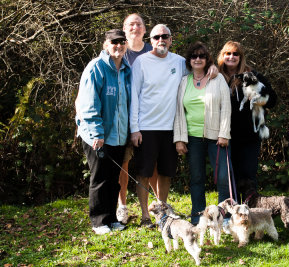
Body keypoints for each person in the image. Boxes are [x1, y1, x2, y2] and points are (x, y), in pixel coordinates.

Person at [130, 24, 218, 228]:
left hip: (171, 128)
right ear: (150, 40)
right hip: (146, 127)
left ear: (170, 39)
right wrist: (134, 128)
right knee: (144, 172)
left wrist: (212, 68)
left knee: (166, 172)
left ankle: (163, 212)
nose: (161, 40)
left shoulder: (179, 62)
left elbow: (199, 69)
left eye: (165, 36)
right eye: (156, 37)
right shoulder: (141, 62)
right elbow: (133, 95)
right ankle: (145, 216)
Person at [75, 29, 130, 234]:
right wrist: (97, 133)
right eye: (114, 42)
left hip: (119, 135)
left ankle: (111, 218)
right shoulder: (96, 68)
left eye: (122, 42)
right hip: (97, 135)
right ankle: (98, 221)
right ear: (105, 45)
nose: (118, 45)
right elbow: (88, 104)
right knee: (99, 178)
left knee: (113, 178)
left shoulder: (126, 69)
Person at [173, 42, 231, 225]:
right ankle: (198, 218)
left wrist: (224, 133)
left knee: (223, 178)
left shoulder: (218, 78)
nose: (198, 59)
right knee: (197, 179)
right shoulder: (184, 81)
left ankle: (225, 218)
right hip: (193, 138)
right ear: (189, 61)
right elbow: (178, 112)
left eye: (202, 56)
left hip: (216, 138)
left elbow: (226, 108)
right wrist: (180, 139)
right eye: (194, 56)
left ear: (207, 60)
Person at [217, 41, 277, 203]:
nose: (231, 57)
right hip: (225, 135)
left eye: (236, 54)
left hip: (250, 135)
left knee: (248, 176)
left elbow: (272, 99)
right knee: (230, 177)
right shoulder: (215, 76)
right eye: (228, 53)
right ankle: (235, 214)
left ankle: (251, 213)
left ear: (241, 57)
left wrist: (259, 99)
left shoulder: (253, 76)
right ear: (222, 56)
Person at [116, 13, 157, 225]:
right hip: (123, 116)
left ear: (144, 29)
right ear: (124, 29)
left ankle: (158, 204)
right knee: (124, 162)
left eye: (139, 23)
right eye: (130, 24)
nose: (135, 27)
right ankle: (122, 206)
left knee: (153, 164)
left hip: (150, 116)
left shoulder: (153, 50)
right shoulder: (118, 51)